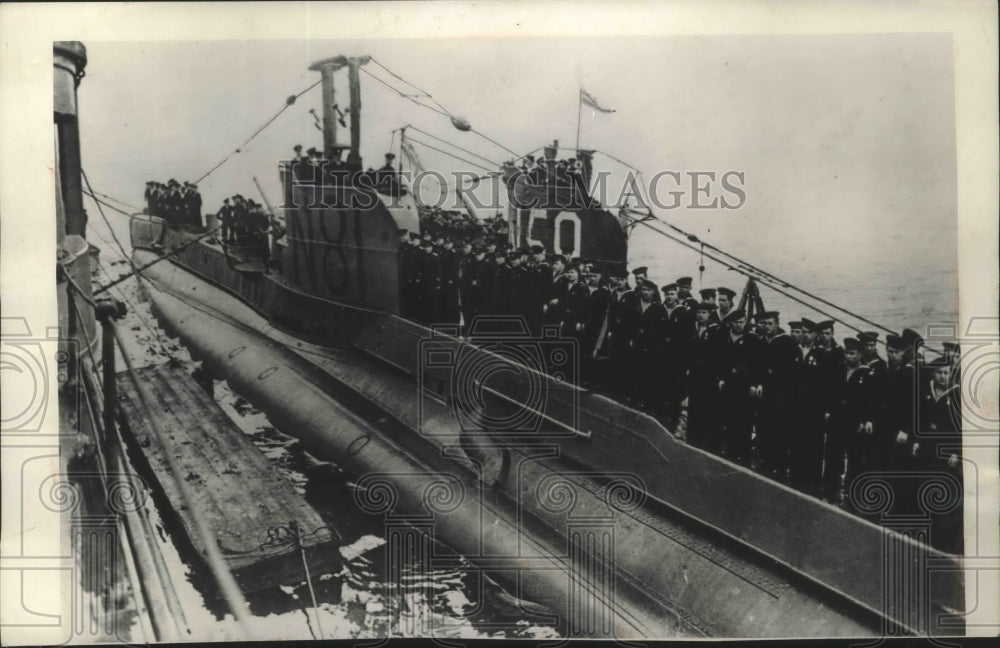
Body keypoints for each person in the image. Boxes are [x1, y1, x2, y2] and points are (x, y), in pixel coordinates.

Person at [757, 311, 801, 481]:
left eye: (770, 324)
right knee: (766, 427)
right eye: (765, 324)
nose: (767, 327)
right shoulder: (764, 341)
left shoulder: (785, 343)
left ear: (776, 324)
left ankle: (779, 465)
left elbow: (789, 372)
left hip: (781, 393)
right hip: (767, 392)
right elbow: (760, 365)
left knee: (779, 430)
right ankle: (768, 461)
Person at [715, 309, 763, 464]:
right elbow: (719, 360)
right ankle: (729, 450)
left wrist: (755, 383)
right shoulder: (724, 338)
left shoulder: (752, 340)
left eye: (741, 322)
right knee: (728, 417)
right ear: (731, 323)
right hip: (728, 384)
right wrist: (720, 378)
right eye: (736, 322)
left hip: (744, 386)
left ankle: (742, 452)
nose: (739, 325)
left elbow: (757, 364)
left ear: (745, 323)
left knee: (744, 420)